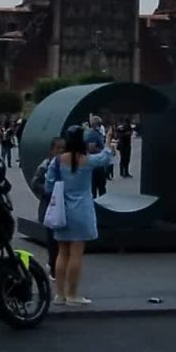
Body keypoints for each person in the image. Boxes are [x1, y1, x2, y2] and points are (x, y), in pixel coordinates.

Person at [47, 124, 115, 307]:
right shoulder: (87, 160)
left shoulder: (58, 161)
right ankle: (73, 294)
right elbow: (106, 157)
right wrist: (108, 140)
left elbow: (48, 185)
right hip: (82, 210)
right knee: (76, 253)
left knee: (61, 253)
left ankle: (59, 295)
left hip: (62, 210)